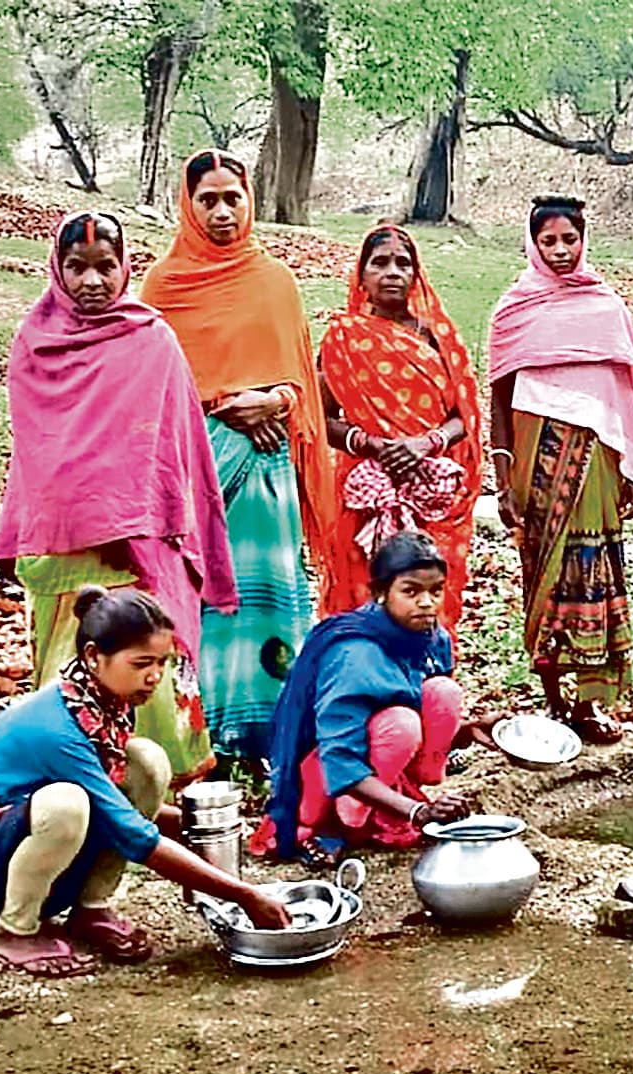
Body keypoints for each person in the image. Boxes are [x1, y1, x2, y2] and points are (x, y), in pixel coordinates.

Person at [0, 588, 291, 978]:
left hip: (42, 845)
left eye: (162, 663)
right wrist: (243, 895)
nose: (154, 676)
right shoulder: (58, 728)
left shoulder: (100, 702)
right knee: (67, 804)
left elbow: (115, 800)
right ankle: (15, 930)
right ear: (95, 657)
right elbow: (129, 830)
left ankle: (90, 910)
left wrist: (203, 827)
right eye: (142, 663)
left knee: (146, 762)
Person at [0, 211, 238, 788]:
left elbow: (175, 446)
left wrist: (135, 509)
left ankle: (156, 797)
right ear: (58, 269)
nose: (92, 281)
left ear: (126, 269)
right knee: (70, 668)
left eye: (105, 267)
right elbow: (37, 448)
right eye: (76, 267)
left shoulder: (152, 340)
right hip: (64, 542)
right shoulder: (35, 343)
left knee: (148, 664)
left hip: (141, 542)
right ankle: (76, 786)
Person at [140, 149, 344, 760]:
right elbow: (151, 387)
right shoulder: (163, 286)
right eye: (209, 199)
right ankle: (205, 736)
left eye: (234, 197)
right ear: (188, 203)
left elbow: (299, 379)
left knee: (270, 595)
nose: (224, 211)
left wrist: (276, 399)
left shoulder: (273, 282)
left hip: (268, 469)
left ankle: (277, 730)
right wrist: (228, 401)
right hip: (197, 472)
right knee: (203, 599)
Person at [487, 196, 633, 743]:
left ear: (585, 240)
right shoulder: (515, 310)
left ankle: (592, 702)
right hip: (535, 457)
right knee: (542, 572)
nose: (561, 251)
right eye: (550, 241)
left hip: (595, 461)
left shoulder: (606, 308)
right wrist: (501, 476)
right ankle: (551, 695)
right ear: (533, 245)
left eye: (570, 240)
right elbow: (497, 397)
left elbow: (627, 393)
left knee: (594, 565)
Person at [251, 533, 502, 866]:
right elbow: (339, 758)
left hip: (380, 759)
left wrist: (467, 732)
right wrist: (419, 812)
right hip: (323, 778)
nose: (426, 603)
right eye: (411, 591)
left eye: (436, 591)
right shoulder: (354, 655)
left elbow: (415, 719)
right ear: (382, 593)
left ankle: (393, 799)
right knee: (401, 723)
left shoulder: (430, 637)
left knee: (443, 693)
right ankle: (338, 826)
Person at [316, 223, 482, 632]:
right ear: (362, 276)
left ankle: (428, 684)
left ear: (416, 274)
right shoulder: (343, 339)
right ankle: (365, 684)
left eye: (403, 264)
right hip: (365, 491)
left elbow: (466, 415)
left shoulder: (437, 338)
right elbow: (320, 419)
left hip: (432, 488)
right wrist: (371, 444)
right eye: (380, 263)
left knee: (428, 595)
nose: (392, 272)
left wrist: (425, 445)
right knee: (364, 590)